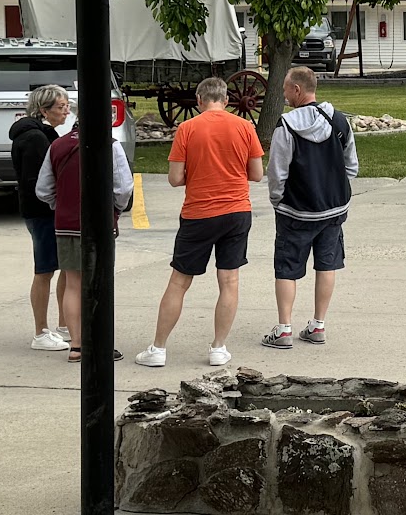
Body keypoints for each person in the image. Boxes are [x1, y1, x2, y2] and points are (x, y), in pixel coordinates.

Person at [137, 77, 265, 370]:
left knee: (179, 281)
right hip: (236, 211)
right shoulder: (245, 127)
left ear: (198, 100)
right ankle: (218, 347)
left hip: (199, 212)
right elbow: (257, 174)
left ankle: (159, 348)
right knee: (229, 281)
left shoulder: (187, 128)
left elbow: (175, 178)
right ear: (227, 100)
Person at [262, 66, 358, 349]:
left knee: (287, 268)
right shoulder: (339, 120)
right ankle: (318, 325)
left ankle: (284, 330)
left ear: (297, 89)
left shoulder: (286, 125)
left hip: (296, 211)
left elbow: (277, 171)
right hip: (332, 210)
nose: (284, 95)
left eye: (285, 89)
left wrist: (278, 200)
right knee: (327, 264)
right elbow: (351, 165)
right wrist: (334, 189)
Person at [35, 110, 133, 363]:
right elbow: (123, 188)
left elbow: (43, 189)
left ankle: (76, 345)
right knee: (99, 283)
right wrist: (115, 209)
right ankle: (100, 342)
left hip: (66, 224)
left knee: (73, 283)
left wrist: (61, 206)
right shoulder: (111, 146)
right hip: (99, 224)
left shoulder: (57, 145)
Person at [10, 84, 71, 351]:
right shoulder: (34, 138)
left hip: (50, 211)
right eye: (60, 106)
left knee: (66, 265)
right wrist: (56, 202)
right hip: (41, 212)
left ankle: (65, 323)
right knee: (45, 270)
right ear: (44, 110)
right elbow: (39, 181)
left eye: (67, 105)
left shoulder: (45, 134)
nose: (66, 111)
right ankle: (40, 331)